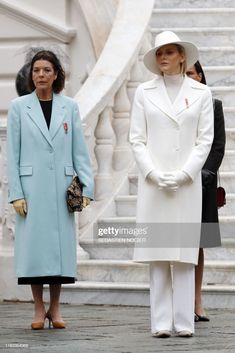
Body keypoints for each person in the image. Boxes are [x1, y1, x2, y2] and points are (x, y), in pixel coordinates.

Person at [129, 31, 214, 338]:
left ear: (182, 56)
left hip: (186, 185)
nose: (162, 57)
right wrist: (152, 173)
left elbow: (205, 140)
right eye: (158, 53)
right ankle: (161, 323)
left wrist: (184, 174)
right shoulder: (144, 92)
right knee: (158, 252)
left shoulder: (201, 94)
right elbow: (136, 138)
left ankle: (184, 322)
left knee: (184, 254)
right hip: (155, 186)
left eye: (168, 52)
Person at [7, 50, 94, 330]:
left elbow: (79, 150)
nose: (41, 75)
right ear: (31, 75)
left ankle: (55, 308)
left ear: (56, 74)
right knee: (34, 251)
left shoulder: (69, 106)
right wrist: (16, 193)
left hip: (62, 189)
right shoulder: (19, 107)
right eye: (36, 70)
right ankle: (37, 307)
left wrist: (87, 187)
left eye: (46, 70)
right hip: (31, 189)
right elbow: (13, 153)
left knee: (59, 251)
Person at [186, 61, 225, 321]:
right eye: (184, 73)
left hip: (202, 182)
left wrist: (203, 174)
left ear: (200, 75)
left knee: (198, 243)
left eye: (191, 72)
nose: (187, 77)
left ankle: (197, 299)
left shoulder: (213, 104)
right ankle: (176, 300)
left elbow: (218, 145)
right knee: (171, 239)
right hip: (174, 180)